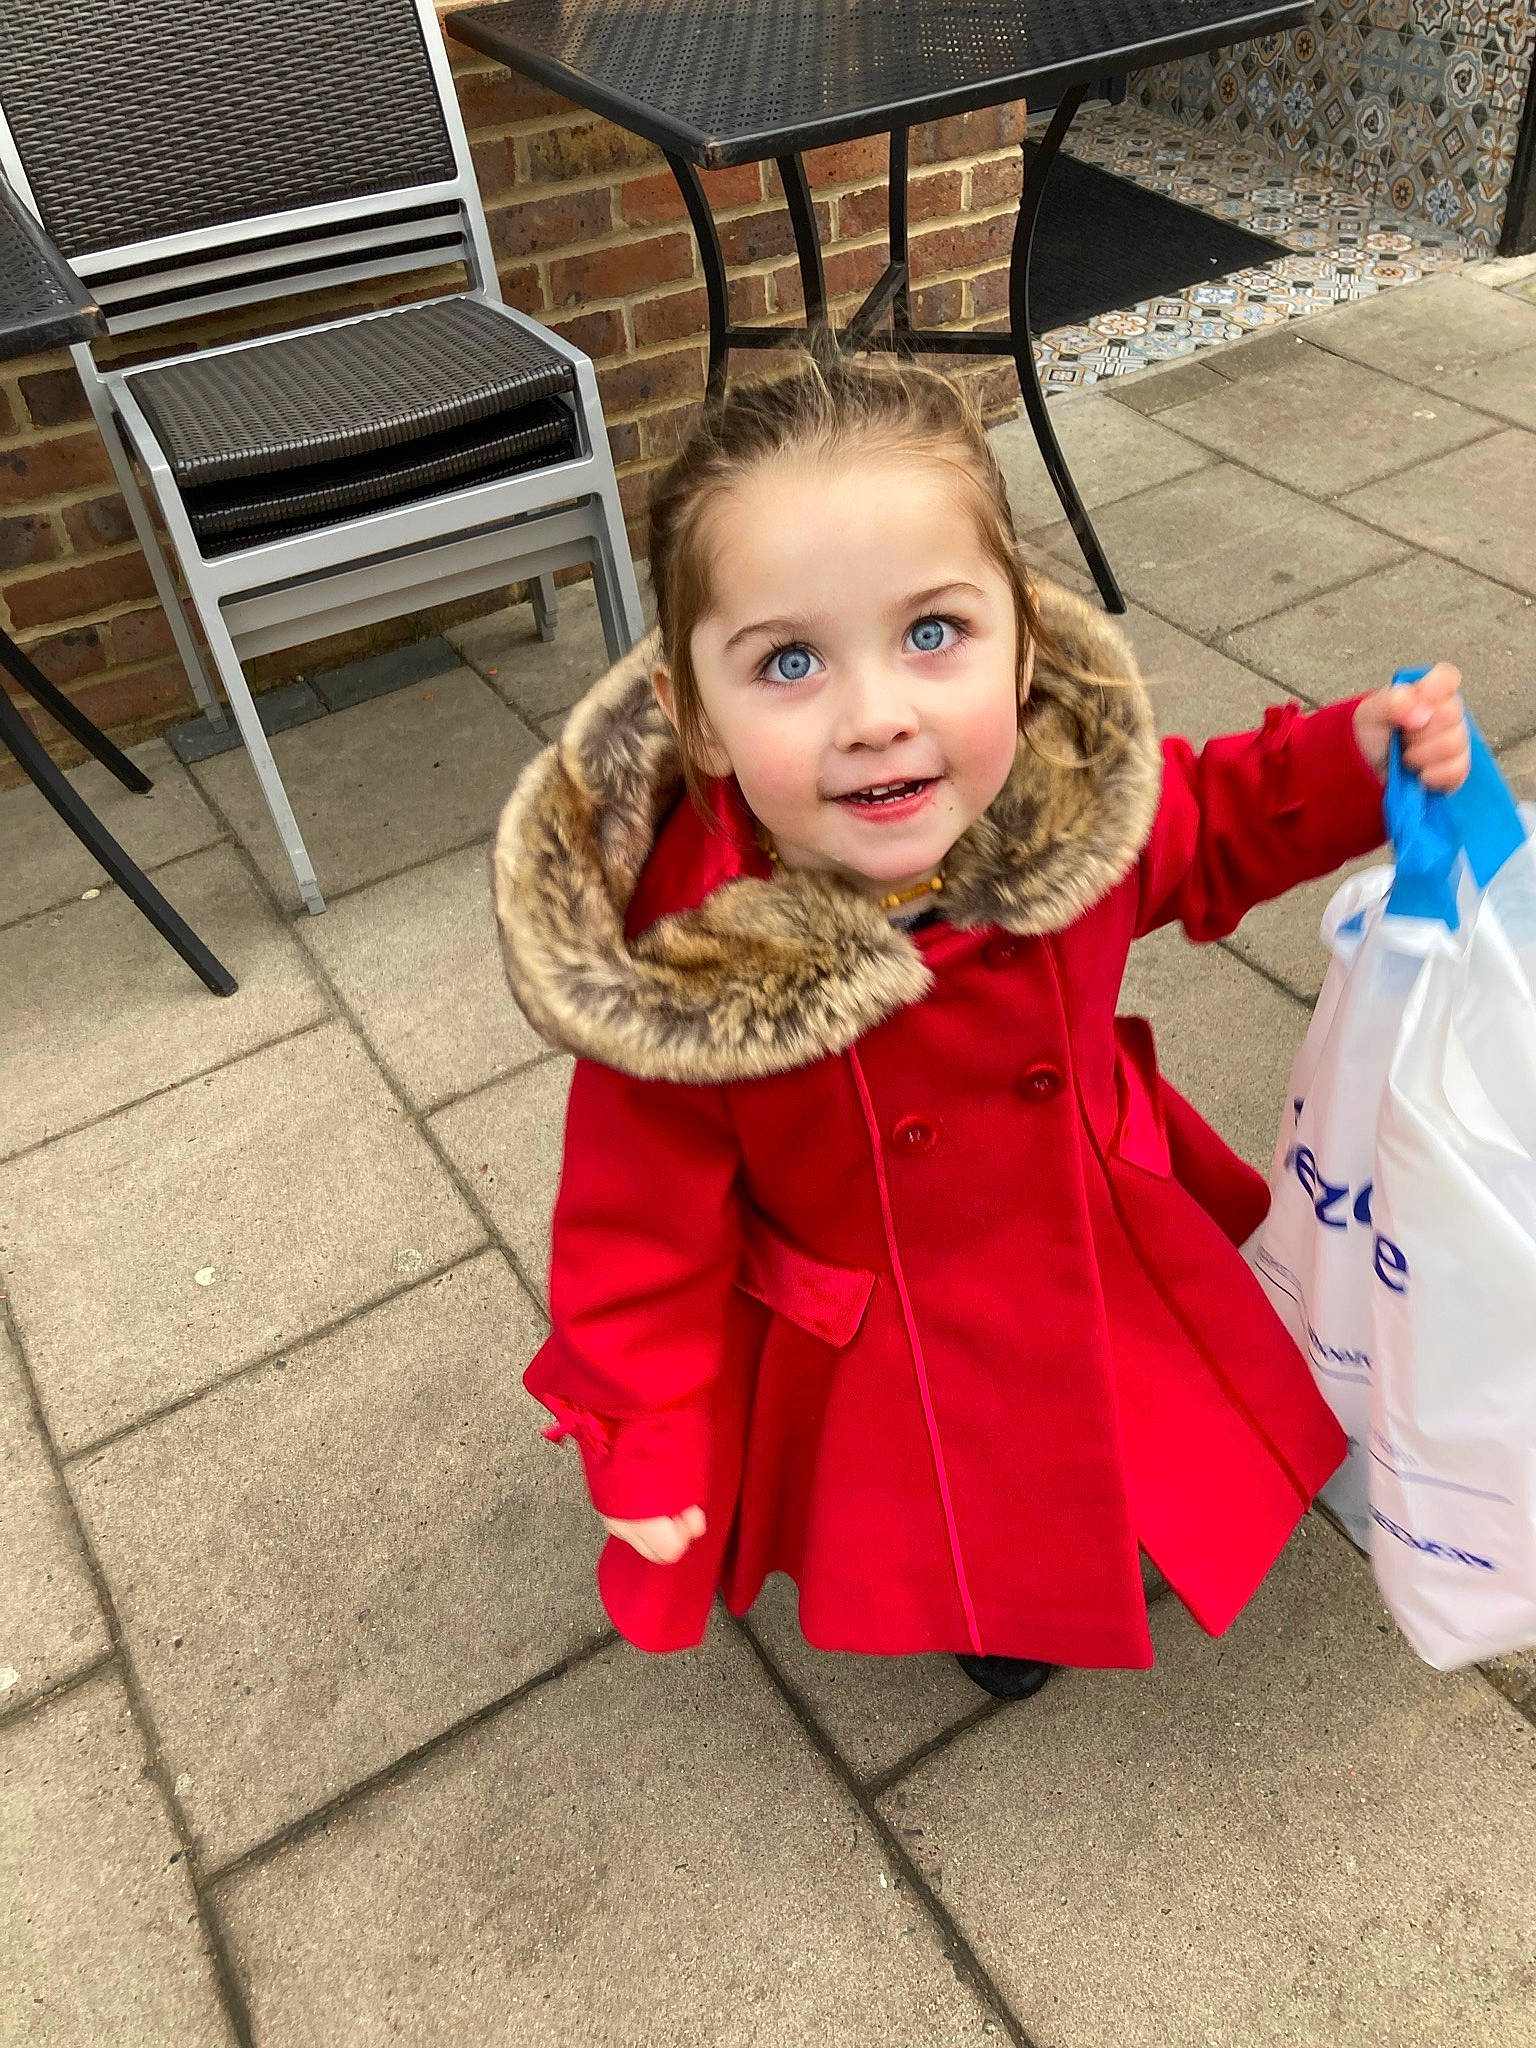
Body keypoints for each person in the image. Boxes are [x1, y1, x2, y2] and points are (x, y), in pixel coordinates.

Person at [491, 348, 1471, 1700]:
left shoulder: (1065, 818)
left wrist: (1348, 757)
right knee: (958, 1499)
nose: (876, 716)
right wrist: (646, 1439)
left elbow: (1210, 819)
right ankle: (1000, 1597)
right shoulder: (688, 987)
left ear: (1022, 648)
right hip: (889, 1327)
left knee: (1126, 1404)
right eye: (788, 661)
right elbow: (635, 1238)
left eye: (933, 634)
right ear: (696, 720)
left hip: (1089, 1219)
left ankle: (1108, 1516)